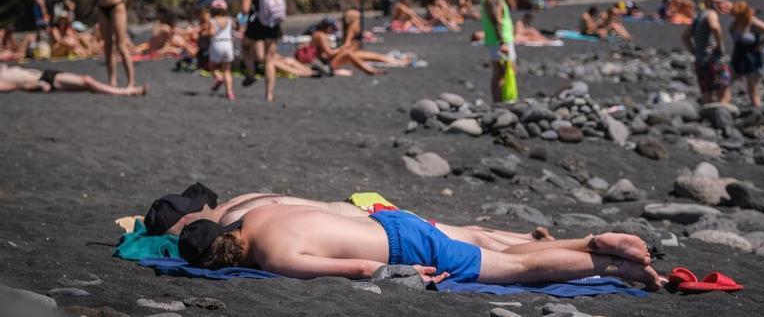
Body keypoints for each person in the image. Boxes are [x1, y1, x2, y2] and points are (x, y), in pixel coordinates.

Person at [179, 205, 663, 290]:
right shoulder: (259, 218)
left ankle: (612, 264)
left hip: (401, 246)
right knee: (505, 253)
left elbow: (360, 268)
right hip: (391, 219)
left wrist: (413, 276)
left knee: (512, 270)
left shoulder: (272, 256)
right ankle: (586, 241)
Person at [145, 184, 553, 251]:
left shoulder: (237, 220)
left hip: (368, 219)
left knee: (462, 239)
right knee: (461, 231)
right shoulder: (241, 199)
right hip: (360, 203)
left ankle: (528, 245)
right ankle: (523, 237)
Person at [238, 0, 283, 101]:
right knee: (270, 59)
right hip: (273, 24)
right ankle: (269, 94)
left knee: (245, 46)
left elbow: (245, 10)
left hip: (257, 23)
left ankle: (250, 73)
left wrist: (239, 19)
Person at [682, 0, 731, 104]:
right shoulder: (711, 13)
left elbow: (685, 36)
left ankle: (710, 118)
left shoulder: (699, 16)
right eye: (718, 3)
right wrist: (720, 45)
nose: (720, 6)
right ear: (710, 3)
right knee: (724, 88)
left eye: (721, 2)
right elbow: (715, 27)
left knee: (706, 91)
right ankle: (724, 117)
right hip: (713, 59)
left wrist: (694, 51)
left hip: (700, 60)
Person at [729, 1, 764, 107]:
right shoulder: (734, 24)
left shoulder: (752, 23)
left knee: (752, 89)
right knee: (726, 82)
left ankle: (757, 112)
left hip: (751, 58)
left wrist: (760, 45)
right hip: (738, 57)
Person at [480, 0, 517, 102]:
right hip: (499, 40)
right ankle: (500, 101)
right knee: (502, 71)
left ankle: (499, 101)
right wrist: (502, 42)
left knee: (500, 71)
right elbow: (497, 20)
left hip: (497, 39)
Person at [0, 64, 146, 96]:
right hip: (44, 78)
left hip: (45, 75)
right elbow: (18, 86)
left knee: (88, 85)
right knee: (88, 81)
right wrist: (37, 85)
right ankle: (127, 91)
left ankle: (128, 91)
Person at [308, 18, 386, 75]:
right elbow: (329, 53)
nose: (333, 31)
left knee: (348, 52)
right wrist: (344, 47)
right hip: (321, 65)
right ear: (328, 27)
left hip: (319, 62)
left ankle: (369, 69)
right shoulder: (321, 35)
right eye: (333, 29)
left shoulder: (317, 34)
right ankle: (370, 70)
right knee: (347, 53)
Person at [204, 0, 236, 100]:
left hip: (217, 43)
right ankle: (230, 93)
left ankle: (218, 78)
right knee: (227, 69)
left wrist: (205, 33)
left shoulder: (212, 21)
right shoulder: (230, 20)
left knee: (213, 66)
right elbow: (237, 28)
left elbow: (211, 33)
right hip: (228, 44)